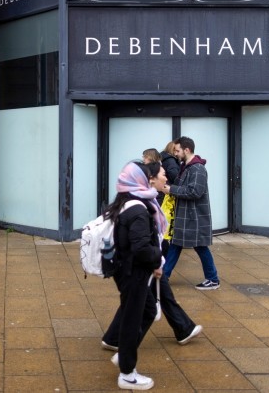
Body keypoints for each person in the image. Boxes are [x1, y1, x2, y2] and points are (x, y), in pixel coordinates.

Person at [102, 162, 202, 353]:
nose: (166, 178)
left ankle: (182, 328)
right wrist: (156, 260)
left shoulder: (139, 200)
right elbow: (140, 244)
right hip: (138, 266)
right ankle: (124, 358)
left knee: (141, 300)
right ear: (150, 179)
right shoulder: (140, 206)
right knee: (143, 306)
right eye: (163, 174)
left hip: (138, 265)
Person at [102, 161, 163, 390]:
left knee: (148, 311)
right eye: (148, 177)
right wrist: (158, 257)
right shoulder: (138, 209)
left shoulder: (124, 203)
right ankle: (127, 374)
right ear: (139, 180)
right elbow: (141, 248)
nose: (153, 180)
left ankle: (124, 355)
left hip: (126, 271)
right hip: (134, 274)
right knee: (131, 320)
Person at [161, 136, 220, 290]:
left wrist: (172, 189)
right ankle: (163, 276)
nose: (176, 154)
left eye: (178, 150)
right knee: (175, 244)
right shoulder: (187, 167)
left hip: (194, 217)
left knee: (200, 246)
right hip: (186, 216)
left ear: (187, 150)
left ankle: (213, 279)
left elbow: (195, 192)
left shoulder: (198, 168)